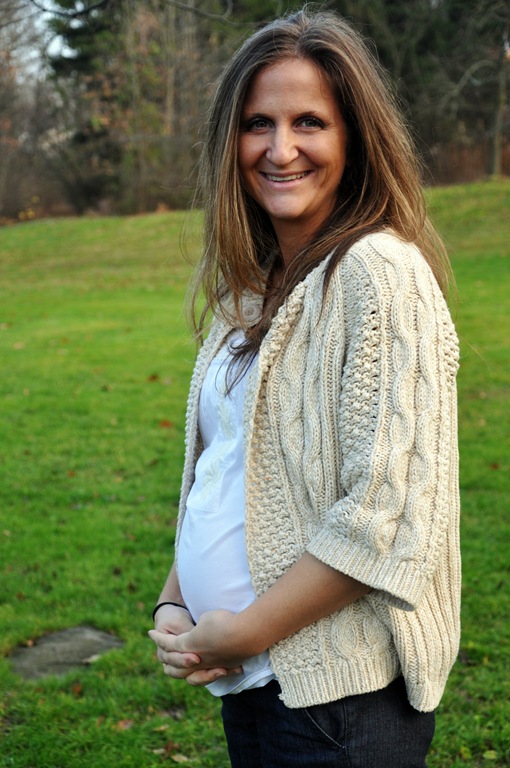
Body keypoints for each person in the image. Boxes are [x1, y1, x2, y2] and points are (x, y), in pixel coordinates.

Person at [148, 8, 461, 768]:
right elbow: (225, 470)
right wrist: (176, 598)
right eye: (258, 123)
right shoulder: (252, 288)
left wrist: (247, 630)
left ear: (354, 138)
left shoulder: (379, 275)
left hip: (339, 703)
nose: (280, 148)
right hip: (252, 680)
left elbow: (385, 517)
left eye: (309, 123)